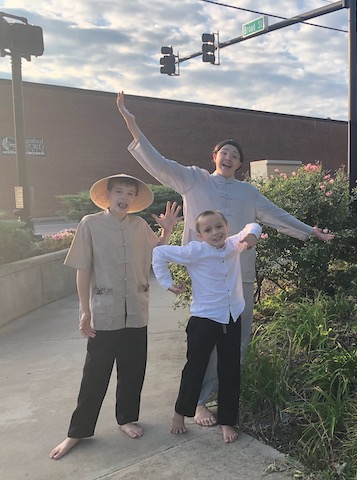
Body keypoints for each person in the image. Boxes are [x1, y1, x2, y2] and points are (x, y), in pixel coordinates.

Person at [116, 91, 335, 426]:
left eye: (235, 155)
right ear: (214, 156)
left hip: (240, 274)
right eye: (224, 152)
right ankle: (201, 402)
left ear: (240, 164)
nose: (229, 157)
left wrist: (311, 231)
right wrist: (132, 124)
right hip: (206, 278)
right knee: (205, 342)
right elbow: (158, 163)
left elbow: (277, 216)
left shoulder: (249, 192)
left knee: (238, 340)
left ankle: (227, 397)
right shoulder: (193, 179)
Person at [49, 174, 181, 460]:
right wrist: (84, 310)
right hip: (104, 311)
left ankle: (126, 418)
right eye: (119, 191)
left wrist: (167, 230)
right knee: (95, 373)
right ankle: (77, 431)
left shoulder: (139, 225)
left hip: (136, 309)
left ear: (135, 199)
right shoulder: (90, 224)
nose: (125, 197)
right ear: (108, 196)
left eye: (130, 193)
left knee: (133, 369)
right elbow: (82, 269)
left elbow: (158, 252)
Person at [153, 210, 261, 443]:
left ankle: (227, 421)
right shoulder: (195, 251)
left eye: (219, 226)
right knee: (195, 369)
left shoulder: (234, 244)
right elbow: (159, 253)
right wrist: (168, 284)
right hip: (204, 321)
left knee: (230, 371)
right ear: (200, 235)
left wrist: (252, 236)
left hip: (231, 318)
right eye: (208, 230)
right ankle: (179, 414)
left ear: (227, 227)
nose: (215, 232)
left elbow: (253, 225)